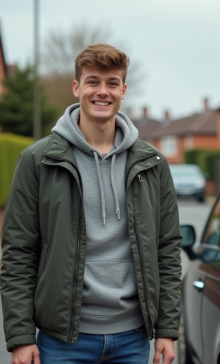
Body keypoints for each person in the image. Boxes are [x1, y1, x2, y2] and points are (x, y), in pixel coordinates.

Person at [1, 43, 182, 364]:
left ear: (123, 90)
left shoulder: (152, 163)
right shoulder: (38, 160)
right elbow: (17, 253)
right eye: (93, 81)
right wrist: (21, 336)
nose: (103, 91)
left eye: (112, 83)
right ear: (77, 87)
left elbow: (166, 250)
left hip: (133, 339)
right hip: (62, 342)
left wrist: (167, 329)